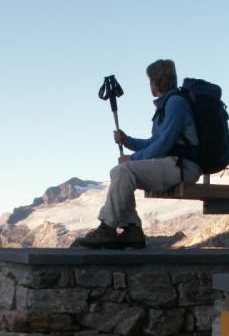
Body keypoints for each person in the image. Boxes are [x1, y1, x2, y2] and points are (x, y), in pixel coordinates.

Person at [78, 59, 202, 249]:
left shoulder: (175, 104)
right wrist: (128, 141)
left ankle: (108, 227)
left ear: (156, 82)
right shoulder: (169, 104)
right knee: (121, 172)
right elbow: (156, 142)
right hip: (175, 163)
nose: (149, 85)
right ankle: (132, 229)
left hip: (183, 166)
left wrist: (132, 158)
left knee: (124, 171)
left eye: (150, 80)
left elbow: (163, 143)